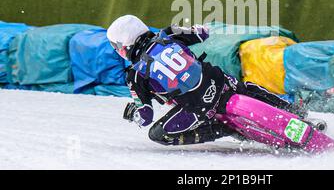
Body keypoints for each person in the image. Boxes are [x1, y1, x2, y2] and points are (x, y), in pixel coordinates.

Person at [106, 15, 305, 146]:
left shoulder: (134, 74)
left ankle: (225, 129)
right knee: (246, 87)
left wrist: (133, 114)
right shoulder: (168, 34)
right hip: (219, 81)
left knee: (158, 135)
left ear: (124, 46)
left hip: (197, 108)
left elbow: (146, 116)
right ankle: (293, 110)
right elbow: (203, 33)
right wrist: (194, 27)